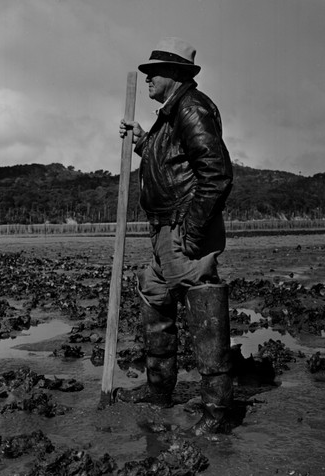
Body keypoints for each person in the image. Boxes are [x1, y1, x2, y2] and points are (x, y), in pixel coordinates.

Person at [115, 37, 234, 434]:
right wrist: (143, 142)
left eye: (155, 72)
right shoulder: (170, 114)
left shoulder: (192, 108)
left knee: (202, 304)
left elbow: (215, 174)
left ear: (176, 75)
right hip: (165, 228)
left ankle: (217, 414)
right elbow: (171, 160)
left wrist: (193, 231)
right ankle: (159, 392)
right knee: (154, 293)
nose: (148, 78)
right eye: (146, 73)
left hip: (184, 228)